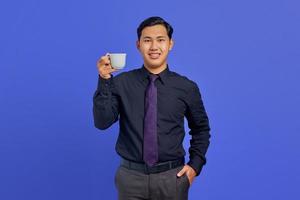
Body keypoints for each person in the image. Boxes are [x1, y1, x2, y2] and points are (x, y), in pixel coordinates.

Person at [93, 16, 211, 200]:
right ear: (138, 45)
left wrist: (195, 166)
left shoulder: (186, 87)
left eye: (160, 40)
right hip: (131, 179)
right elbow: (102, 122)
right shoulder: (122, 83)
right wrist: (105, 81)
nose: (154, 47)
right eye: (147, 40)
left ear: (170, 44)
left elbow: (201, 129)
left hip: (172, 178)